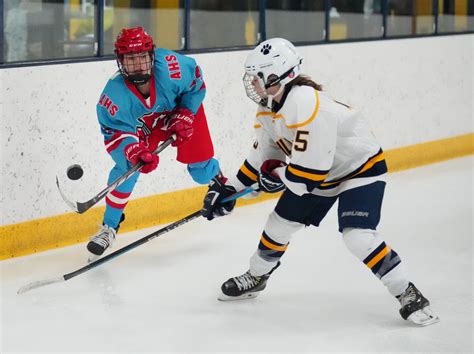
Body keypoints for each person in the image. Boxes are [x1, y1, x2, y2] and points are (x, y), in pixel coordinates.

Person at [201, 38, 439, 326]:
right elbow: (261, 158)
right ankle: (257, 276)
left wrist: (273, 176)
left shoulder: (306, 104)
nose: (253, 82)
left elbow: (306, 177)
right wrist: (229, 192)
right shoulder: (269, 107)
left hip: (358, 170)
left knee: (358, 236)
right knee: (278, 224)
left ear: (279, 75)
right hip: (319, 174)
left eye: (259, 76)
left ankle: (406, 291)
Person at [87, 27, 219, 258]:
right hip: (144, 130)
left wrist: (186, 112)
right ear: (120, 61)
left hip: (180, 116)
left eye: (142, 57)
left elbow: (196, 84)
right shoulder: (113, 96)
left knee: (200, 172)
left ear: (152, 56)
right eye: (130, 58)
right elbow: (114, 133)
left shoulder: (172, 68)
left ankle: (221, 183)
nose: (137, 64)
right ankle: (109, 226)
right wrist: (132, 150)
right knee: (127, 168)